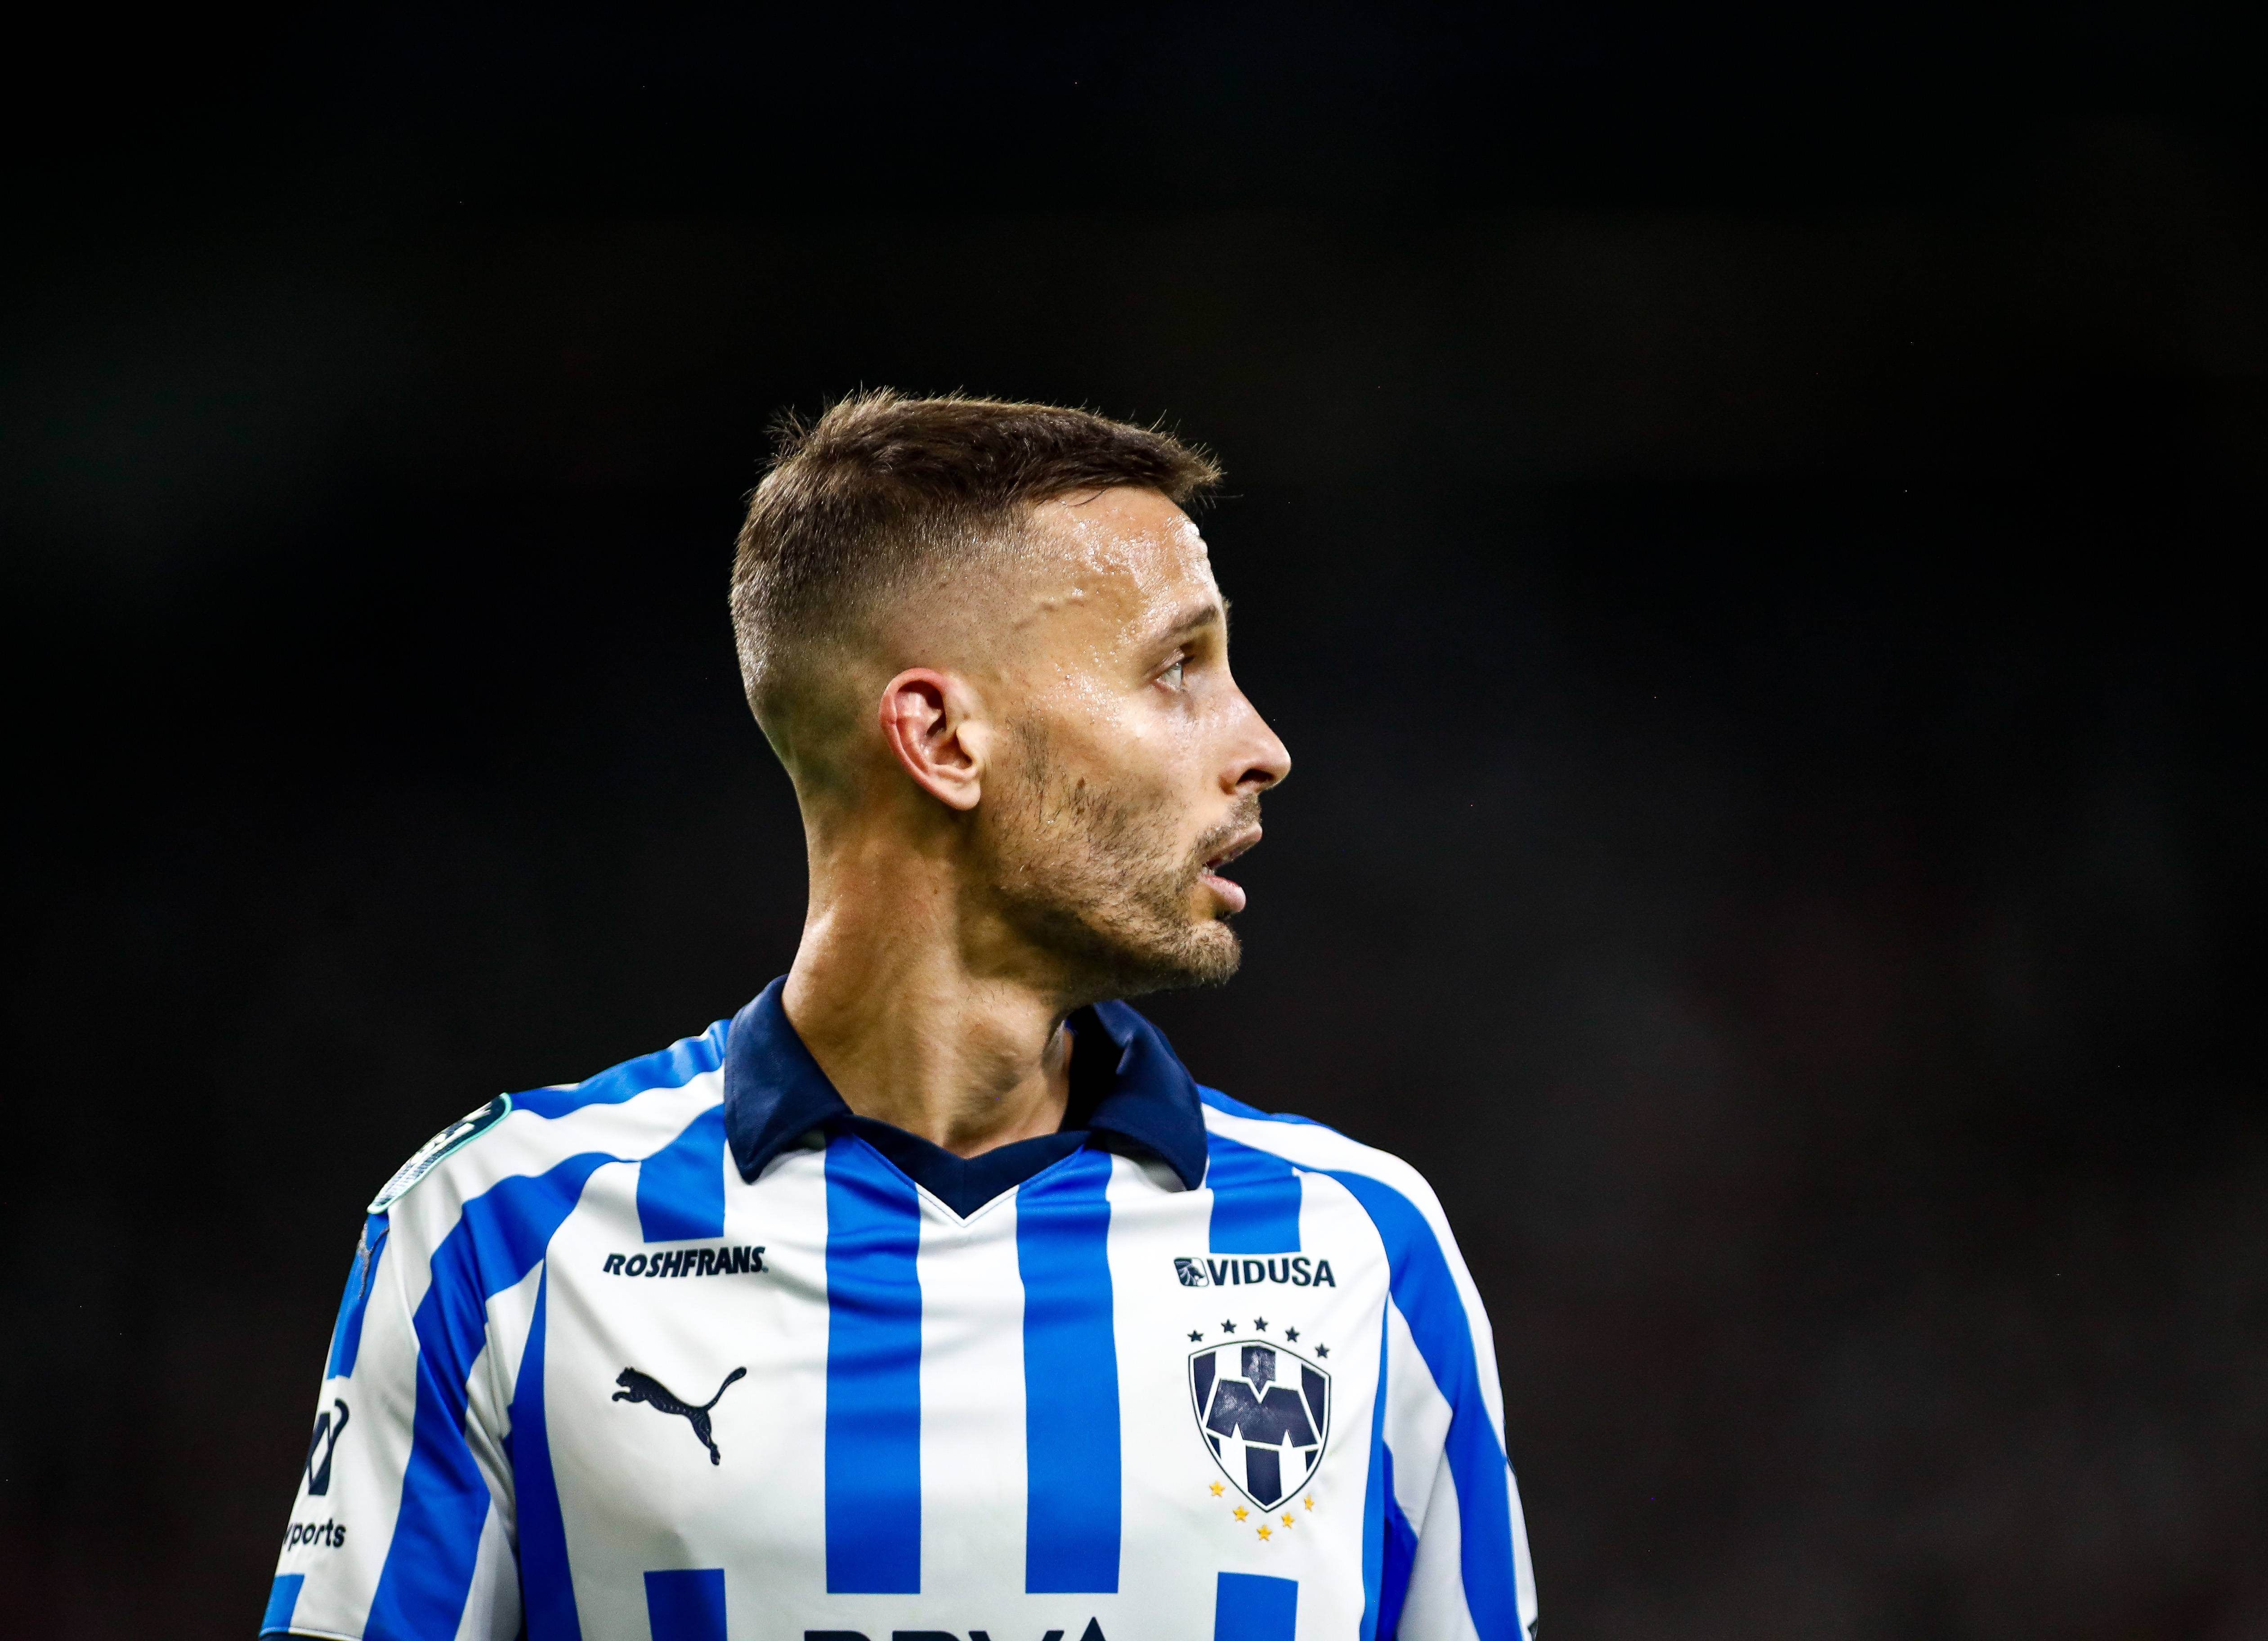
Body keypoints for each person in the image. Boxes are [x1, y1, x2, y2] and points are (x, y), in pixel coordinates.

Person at [259, 392, 1538, 1641]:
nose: (1261, 743)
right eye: (1176, 668)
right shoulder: (498, 1242)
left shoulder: (1360, 1248)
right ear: (940, 737)